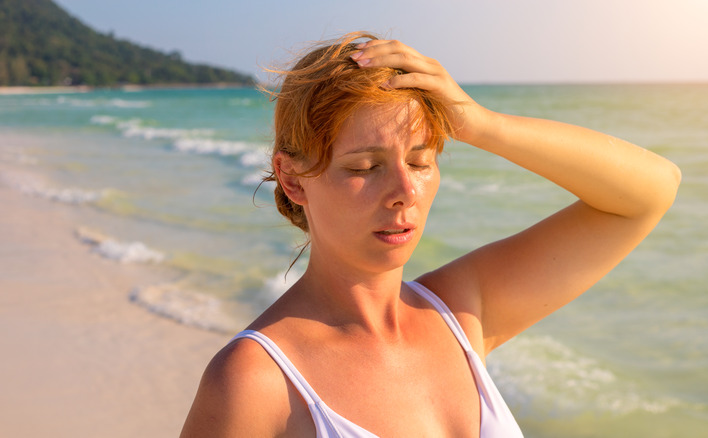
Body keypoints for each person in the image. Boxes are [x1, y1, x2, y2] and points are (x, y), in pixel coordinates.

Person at [180, 32, 681, 437]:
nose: (405, 191)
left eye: (420, 162)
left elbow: (650, 192)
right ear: (292, 179)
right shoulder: (256, 381)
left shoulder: (461, 314)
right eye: (366, 167)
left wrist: (482, 124)